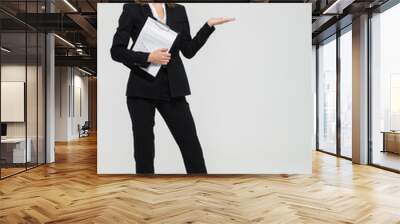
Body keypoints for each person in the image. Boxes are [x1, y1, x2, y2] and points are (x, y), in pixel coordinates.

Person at [110, 2, 234, 174]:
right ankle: (145, 195)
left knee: (191, 146)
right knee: (144, 151)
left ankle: (203, 192)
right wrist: (148, 57)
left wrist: (208, 26)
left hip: (173, 89)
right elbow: (116, 51)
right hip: (141, 89)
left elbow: (188, 51)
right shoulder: (132, 9)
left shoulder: (179, 10)